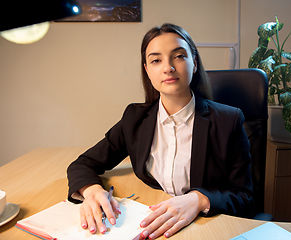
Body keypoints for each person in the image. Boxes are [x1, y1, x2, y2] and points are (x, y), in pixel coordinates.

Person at [67, 23, 254, 239]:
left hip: (205, 228)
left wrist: (199, 199)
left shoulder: (228, 121)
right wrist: (92, 191)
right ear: (147, 70)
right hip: (151, 222)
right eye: (156, 60)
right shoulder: (134, 119)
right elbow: (83, 163)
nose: (168, 68)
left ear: (194, 63)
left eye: (178, 56)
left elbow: (245, 197)